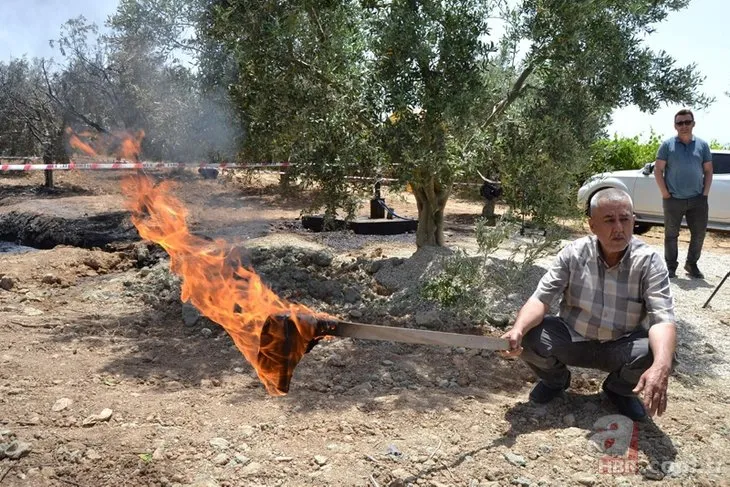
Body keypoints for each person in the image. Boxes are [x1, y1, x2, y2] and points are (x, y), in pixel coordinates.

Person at [501, 188, 676, 420]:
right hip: (573, 339)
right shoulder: (574, 253)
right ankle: (555, 381)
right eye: (609, 220)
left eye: (624, 219)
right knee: (530, 337)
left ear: (633, 221)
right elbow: (541, 298)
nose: (618, 228)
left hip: (621, 345)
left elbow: (662, 319)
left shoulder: (649, 261)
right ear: (592, 225)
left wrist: (661, 366)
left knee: (662, 354)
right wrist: (518, 329)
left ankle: (619, 390)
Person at [654, 109, 713, 279]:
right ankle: (670, 267)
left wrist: (705, 193)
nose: (684, 126)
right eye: (680, 123)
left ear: (693, 124)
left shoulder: (702, 145)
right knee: (671, 235)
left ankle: (691, 264)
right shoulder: (667, 145)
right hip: (673, 199)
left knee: (699, 233)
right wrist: (665, 193)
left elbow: (708, 170)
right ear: (675, 126)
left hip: (698, 199)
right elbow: (658, 169)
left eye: (687, 122)